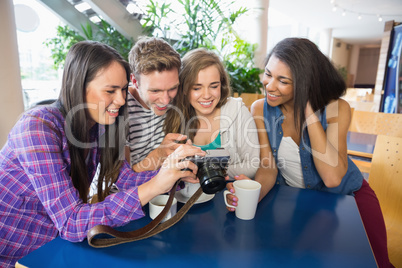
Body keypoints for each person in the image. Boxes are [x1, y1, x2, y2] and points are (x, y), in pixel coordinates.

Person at [0, 41, 204, 268]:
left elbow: (124, 178)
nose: (121, 100)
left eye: (124, 89)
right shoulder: (37, 127)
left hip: (53, 247)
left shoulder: (99, 126)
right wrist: (156, 183)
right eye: (110, 91)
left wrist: (173, 175)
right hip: (14, 255)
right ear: (78, 86)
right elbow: (71, 222)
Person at [225, 38, 392, 267]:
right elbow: (268, 168)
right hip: (299, 202)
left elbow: (332, 179)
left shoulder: (336, 109)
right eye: (268, 74)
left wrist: (309, 110)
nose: (269, 85)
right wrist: (252, 197)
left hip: (349, 200)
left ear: (305, 83)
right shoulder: (260, 109)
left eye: (282, 81)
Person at [164, 48, 260, 179]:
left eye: (214, 86)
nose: (207, 95)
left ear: (222, 85)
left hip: (228, 194)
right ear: (184, 89)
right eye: (197, 88)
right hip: (188, 197)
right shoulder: (174, 115)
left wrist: (204, 173)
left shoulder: (237, 110)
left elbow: (253, 165)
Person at [125, 36, 187, 172]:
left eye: (172, 88)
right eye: (155, 90)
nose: (165, 100)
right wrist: (158, 155)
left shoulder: (177, 98)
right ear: (135, 81)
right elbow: (119, 182)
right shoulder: (119, 109)